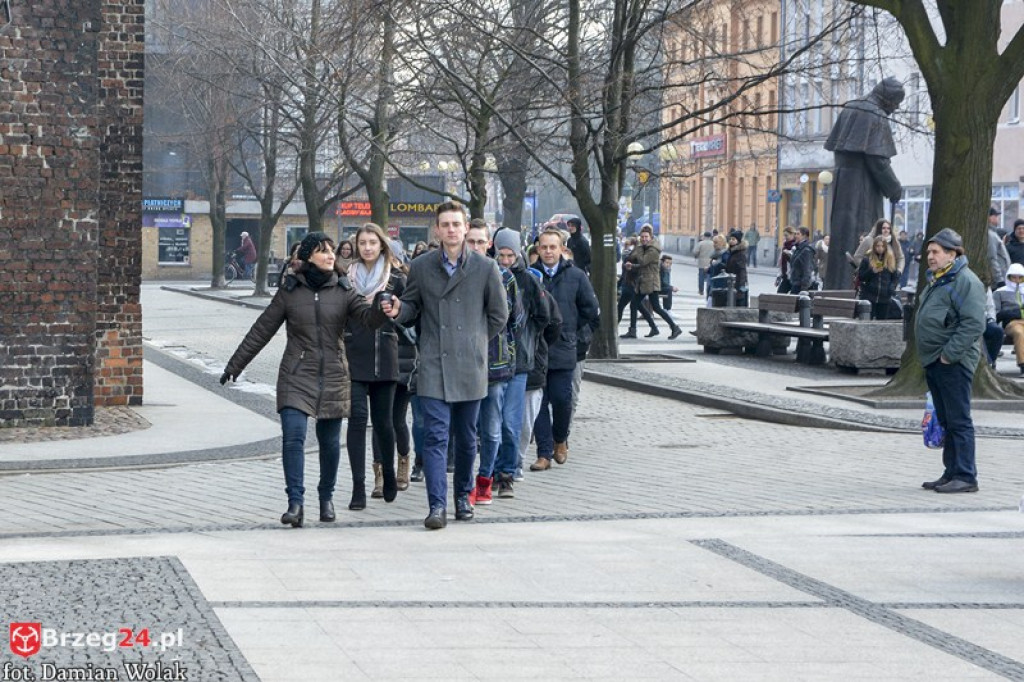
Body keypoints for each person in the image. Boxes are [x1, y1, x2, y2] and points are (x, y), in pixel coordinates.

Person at [221, 232, 387, 527]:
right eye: (323, 251)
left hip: (334, 374)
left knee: (330, 443)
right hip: (297, 374)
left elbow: (367, 319)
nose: (330, 256)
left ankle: (326, 498)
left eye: (332, 251)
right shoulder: (290, 290)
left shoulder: (344, 290)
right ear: (308, 256)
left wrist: (382, 307)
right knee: (293, 437)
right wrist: (236, 364)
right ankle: (295, 503)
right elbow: (262, 329)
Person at [382, 202, 507, 530]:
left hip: (470, 365)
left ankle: (463, 496)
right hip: (435, 362)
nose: (451, 230)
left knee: (466, 438)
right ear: (436, 230)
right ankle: (436, 505)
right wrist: (398, 310)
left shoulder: (485, 268)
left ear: (466, 229)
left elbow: (498, 315)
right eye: (445, 224)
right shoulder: (422, 267)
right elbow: (411, 306)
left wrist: (475, 341)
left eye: (456, 224)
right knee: (436, 436)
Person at [915, 228, 986, 494]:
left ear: (952, 254)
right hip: (935, 360)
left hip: (952, 362)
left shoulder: (965, 281)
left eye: (935, 252)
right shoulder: (939, 279)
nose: (930, 257)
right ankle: (951, 472)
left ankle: (966, 476)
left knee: (959, 420)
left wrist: (948, 355)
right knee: (946, 419)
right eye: (929, 252)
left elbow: (972, 324)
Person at [343, 223, 406, 509]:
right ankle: (358, 486)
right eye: (362, 242)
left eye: (372, 242)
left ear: (382, 245)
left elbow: (408, 317)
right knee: (356, 422)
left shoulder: (395, 279)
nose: (367, 247)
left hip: (385, 358)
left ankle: (389, 473)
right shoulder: (347, 279)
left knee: (384, 423)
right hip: (354, 359)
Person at [823, 77, 904, 290]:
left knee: (842, 237)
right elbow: (877, 161)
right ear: (888, 99)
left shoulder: (851, 107)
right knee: (865, 236)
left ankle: (836, 287)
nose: (895, 109)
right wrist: (894, 187)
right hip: (863, 188)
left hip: (843, 184)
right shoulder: (874, 114)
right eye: (895, 104)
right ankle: (856, 289)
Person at [465, 220, 523, 506]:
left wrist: (504, 351)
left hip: (495, 364)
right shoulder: (457, 273)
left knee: (491, 427)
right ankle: (465, 481)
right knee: (465, 429)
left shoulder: (504, 276)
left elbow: (514, 320)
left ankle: (485, 480)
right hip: (463, 363)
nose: (475, 246)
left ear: (489, 244)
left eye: (480, 242)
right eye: (470, 241)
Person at [531, 228, 599, 471]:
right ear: (538, 249)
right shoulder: (530, 275)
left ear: (562, 249)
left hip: (564, 348)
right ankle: (544, 452)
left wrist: (573, 333)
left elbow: (591, 311)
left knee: (562, 400)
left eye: (553, 247)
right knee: (539, 402)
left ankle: (561, 438)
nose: (548, 252)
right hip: (536, 350)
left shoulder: (577, 276)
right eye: (544, 247)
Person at [623, 224, 683, 339]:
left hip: (651, 282)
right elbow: (642, 265)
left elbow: (643, 261)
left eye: (646, 237)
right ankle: (641, 329)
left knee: (654, 307)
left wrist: (639, 249)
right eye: (642, 237)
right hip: (645, 281)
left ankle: (674, 327)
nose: (644, 239)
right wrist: (632, 266)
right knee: (637, 304)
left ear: (650, 237)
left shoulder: (653, 250)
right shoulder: (646, 248)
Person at [857, 236, 898, 319]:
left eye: (882, 246)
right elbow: (861, 277)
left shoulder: (890, 260)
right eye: (878, 246)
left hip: (884, 298)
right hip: (869, 297)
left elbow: (895, 277)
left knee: (882, 323)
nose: (880, 248)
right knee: (868, 321)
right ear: (874, 246)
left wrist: (891, 288)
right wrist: (872, 271)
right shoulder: (867, 259)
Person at [994, 262, 1024, 375]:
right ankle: (1023, 365)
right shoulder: (1000, 292)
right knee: (1019, 332)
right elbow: (995, 313)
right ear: (1009, 277)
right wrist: (1010, 313)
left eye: (1020, 277)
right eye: (1014, 277)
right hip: (1012, 323)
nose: (1017, 280)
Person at [787, 226, 817, 295]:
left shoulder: (806, 250)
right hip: (795, 282)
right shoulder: (798, 248)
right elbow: (795, 264)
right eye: (795, 234)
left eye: (798, 234)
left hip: (800, 285)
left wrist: (804, 288)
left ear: (804, 236)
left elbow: (807, 269)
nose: (795, 236)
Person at [987, 207, 1012, 289]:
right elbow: (992, 258)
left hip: (1002, 278)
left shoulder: (993, 234)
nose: (997, 219)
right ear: (990, 218)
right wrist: (999, 280)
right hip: (998, 282)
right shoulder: (990, 235)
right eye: (996, 216)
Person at [723, 229, 749, 306]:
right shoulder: (731, 252)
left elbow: (742, 270)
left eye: (733, 239)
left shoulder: (740, 254)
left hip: (737, 283)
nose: (731, 241)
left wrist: (741, 285)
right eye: (730, 239)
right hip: (731, 282)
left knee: (738, 304)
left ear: (738, 241)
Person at [776, 226, 797, 293]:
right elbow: (781, 263)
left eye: (786, 235)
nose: (785, 237)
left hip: (794, 277)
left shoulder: (796, 245)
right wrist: (778, 277)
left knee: (794, 297)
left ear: (792, 234)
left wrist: (788, 254)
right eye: (784, 235)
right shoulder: (784, 246)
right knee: (779, 294)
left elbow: (795, 260)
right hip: (786, 276)